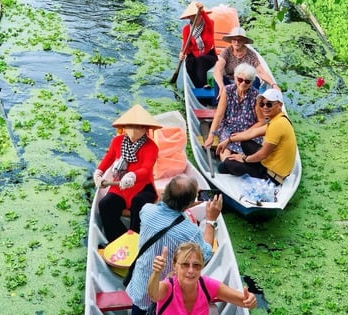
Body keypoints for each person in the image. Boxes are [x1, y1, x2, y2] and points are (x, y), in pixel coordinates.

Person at [126, 175, 222, 315]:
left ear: (166, 193)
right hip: (167, 293)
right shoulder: (191, 233)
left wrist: (184, 203)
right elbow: (205, 255)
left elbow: (162, 206)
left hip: (140, 288)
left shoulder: (146, 211)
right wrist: (210, 220)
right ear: (188, 203)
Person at [93, 104, 162, 242]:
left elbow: (146, 169)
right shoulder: (117, 141)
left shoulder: (151, 147)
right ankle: (118, 240)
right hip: (119, 186)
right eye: (132, 126)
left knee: (138, 203)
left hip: (142, 186)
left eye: (139, 126)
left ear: (145, 129)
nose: (135, 130)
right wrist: (99, 172)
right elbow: (109, 158)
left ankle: (136, 239)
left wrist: (133, 175)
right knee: (105, 205)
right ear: (125, 127)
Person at [148, 242, 258, 314]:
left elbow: (242, 300)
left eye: (196, 265)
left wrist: (250, 299)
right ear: (175, 266)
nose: (191, 270)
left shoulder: (207, 285)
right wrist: (156, 272)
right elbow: (153, 294)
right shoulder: (168, 287)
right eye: (185, 264)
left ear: (201, 267)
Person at [218, 89, 297, 185]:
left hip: (271, 176)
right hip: (268, 164)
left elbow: (263, 154)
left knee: (226, 164)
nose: (264, 107)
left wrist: (243, 158)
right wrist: (228, 139)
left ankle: (240, 168)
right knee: (245, 142)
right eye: (262, 104)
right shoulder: (280, 119)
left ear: (280, 105)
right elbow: (252, 133)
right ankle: (247, 164)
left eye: (269, 104)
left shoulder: (277, 125)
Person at [203, 63, 265, 161]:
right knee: (225, 149)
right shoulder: (227, 91)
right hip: (229, 127)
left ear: (252, 82)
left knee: (249, 148)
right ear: (235, 78)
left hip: (248, 129)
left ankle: (242, 161)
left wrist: (246, 133)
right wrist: (211, 135)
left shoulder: (256, 96)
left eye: (247, 81)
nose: (243, 83)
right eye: (240, 80)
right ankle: (227, 163)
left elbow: (261, 121)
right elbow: (219, 115)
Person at [213, 26, 281, 98]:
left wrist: (274, 85)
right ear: (231, 40)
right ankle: (219, 102)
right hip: (229, 82)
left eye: (239, 40)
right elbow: (218, 69)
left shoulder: (251, 54)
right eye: (234, 39)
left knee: (256, 80)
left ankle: (250, 101)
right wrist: (221, 86)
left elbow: (261, 72)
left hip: (244, 83)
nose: (236, 42)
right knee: (218, 79)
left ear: (244, 41)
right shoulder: (226, 52)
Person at [179, 1, 217, 88]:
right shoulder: (186, 29)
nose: (196, 17)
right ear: (189, 17)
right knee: (189, 63)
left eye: (198, 15)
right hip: (194, 56)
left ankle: (203, 85)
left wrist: (201, 10)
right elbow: (186, 46)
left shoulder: (209, 25)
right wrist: (182, 53)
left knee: (201, 61)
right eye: (193, 16)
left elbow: (209, 22)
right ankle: (196, 86)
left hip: (209, 55)